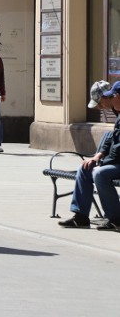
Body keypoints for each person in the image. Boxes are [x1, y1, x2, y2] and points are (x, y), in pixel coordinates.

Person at [58, 81, 120, 230]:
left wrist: (103, 162)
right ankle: (80, 216)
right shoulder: (118, 114)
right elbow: (113, 138)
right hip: (115, 161)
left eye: (112, 96)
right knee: (85, 168)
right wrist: (97, 157)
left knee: (100, 173)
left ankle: (115, 218)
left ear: (117, 96)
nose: (102, 106)